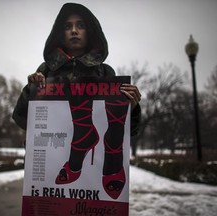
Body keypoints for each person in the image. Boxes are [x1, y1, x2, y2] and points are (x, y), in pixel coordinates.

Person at [13, 3, 141, 199]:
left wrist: (131, 108)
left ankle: (103, 144)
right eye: (67, 26)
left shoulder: (105, 72)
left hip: (92, 146)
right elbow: (21, 118)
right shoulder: (46, 71)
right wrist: (32, 91)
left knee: (115, 129)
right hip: (49, 155)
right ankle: (84, 137)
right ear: (60, 33)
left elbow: (130, 131)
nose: (73, 30)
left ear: (89, 31)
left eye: (80, 25)